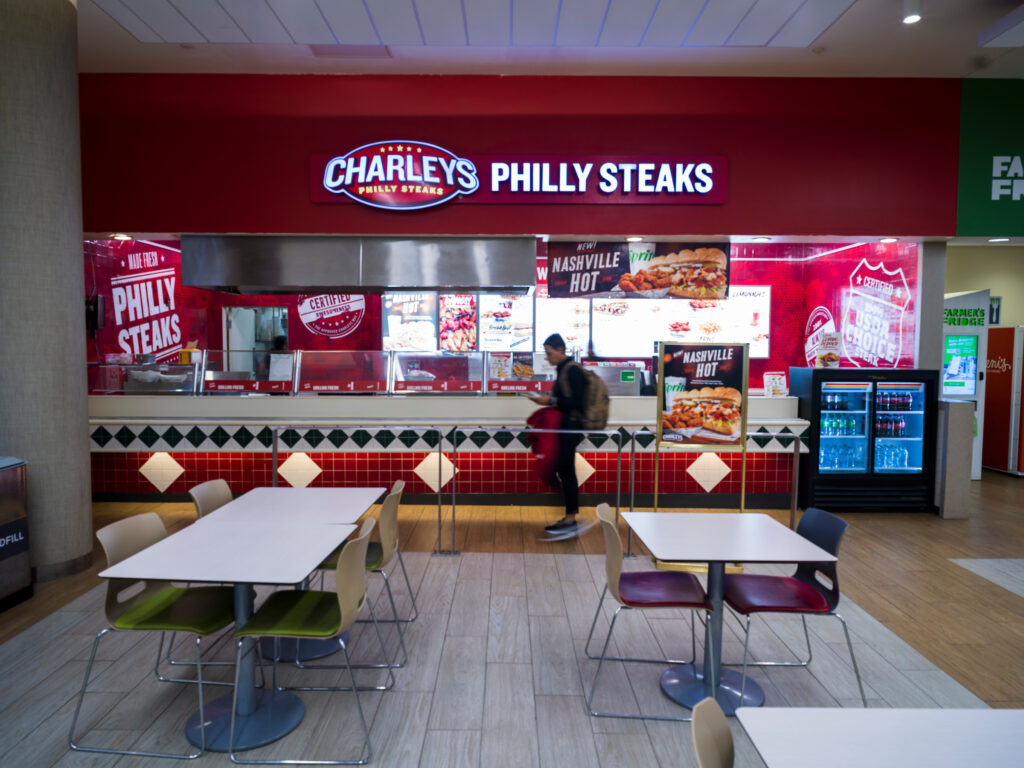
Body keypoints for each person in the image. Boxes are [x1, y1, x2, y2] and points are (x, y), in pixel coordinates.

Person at [528, 333, 586, 537]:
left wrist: (549, 401)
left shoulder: (572, 370)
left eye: (549, 353)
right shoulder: (563, 369)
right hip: (564, 428)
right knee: (563, 470)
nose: (547, 357)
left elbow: (578, 402)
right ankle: (569, 517)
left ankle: (571, 520)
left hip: (570, 429)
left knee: (566, 471)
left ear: (561, 350)